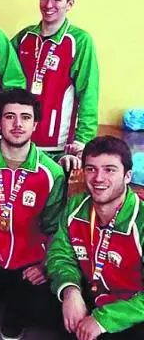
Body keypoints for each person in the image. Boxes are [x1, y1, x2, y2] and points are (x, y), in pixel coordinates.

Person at [0, 89, 65, 339]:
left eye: (25, 118)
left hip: (29, 262)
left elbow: (56, 229)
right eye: (10, 117)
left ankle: (16, 307)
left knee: (44, 307)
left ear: (35, 124)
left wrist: (45, 264)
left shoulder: (52, 173)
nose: (18, 125)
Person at [47, 136, 144, 340]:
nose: (98, 178)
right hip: (90, 293)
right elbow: (60, 253)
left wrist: (104, 320)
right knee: (34, 293)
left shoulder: (141, 220)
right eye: (91, 169)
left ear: (128, 176)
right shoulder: (76, 207)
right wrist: (70, 290)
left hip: (130, 309)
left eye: (109, 170)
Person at [11, 0, 99, 159]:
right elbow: (2, 74)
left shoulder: (79, 41)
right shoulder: (25, 37)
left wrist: (82, 141)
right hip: (19, 141)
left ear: (70, 4)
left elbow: (88, 92)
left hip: (58, 147)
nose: (48, 5)